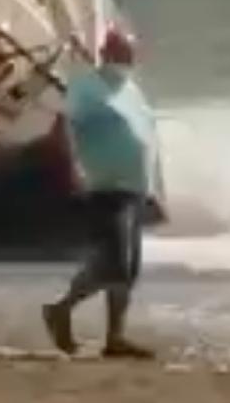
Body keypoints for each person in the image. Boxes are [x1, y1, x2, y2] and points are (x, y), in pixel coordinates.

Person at [43, 27, 159, 359]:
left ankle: (115, 338)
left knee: (129, 270)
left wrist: (153, 187)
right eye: (123, 53)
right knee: (116, 264)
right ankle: (60, 309)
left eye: (131, 54)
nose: (129, 60)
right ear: (107, 54)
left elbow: (146, 137)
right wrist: (74, 169)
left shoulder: (131, 90)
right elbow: (62, 128)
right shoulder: (88, 88)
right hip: (106, 185)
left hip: (135, 186)